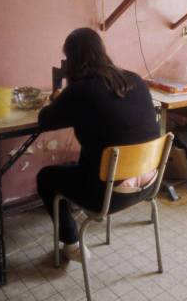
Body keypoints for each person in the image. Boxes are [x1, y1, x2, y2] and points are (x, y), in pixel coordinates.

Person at [36, 27, 159, 261]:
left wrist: (59, 99)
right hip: (148, 183)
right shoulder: (134, 79)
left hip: (107, 195)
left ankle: (72, 245)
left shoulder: (81, 91)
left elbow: (44, 121)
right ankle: (77, 218)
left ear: (72, 60)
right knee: (84, 162)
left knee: (46, 177)